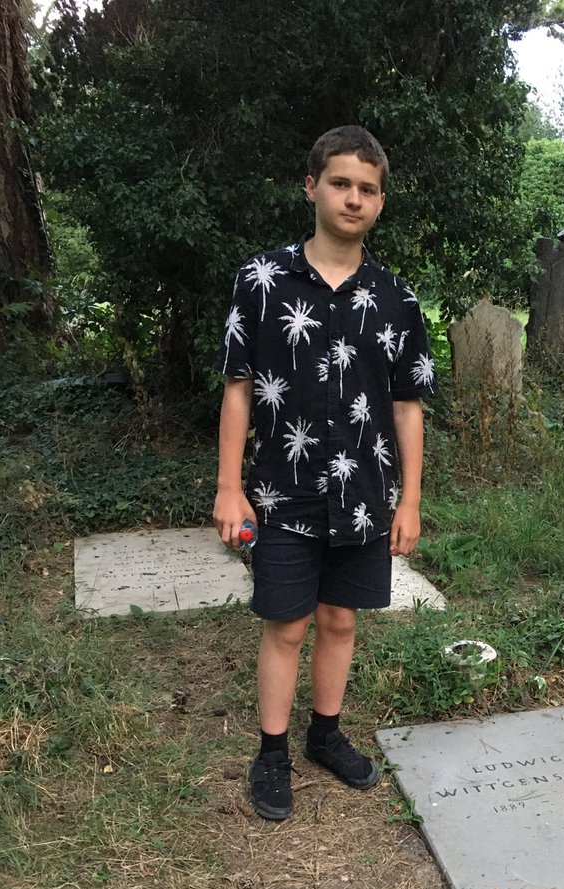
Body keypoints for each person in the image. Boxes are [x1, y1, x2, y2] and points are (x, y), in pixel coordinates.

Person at [213, 126, 434, 821]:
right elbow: (238, 387)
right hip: (281, 491)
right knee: (286, 623)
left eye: (368, 189)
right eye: (341, 183)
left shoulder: (396, 299)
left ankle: (325, 735)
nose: (353, 198)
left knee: (339, 619)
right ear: (311, 187)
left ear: (381, 202)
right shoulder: (263, 281)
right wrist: (228, 486)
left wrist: (409, 501)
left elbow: (407, 408)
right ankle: (272, 752)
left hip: (365, 497)